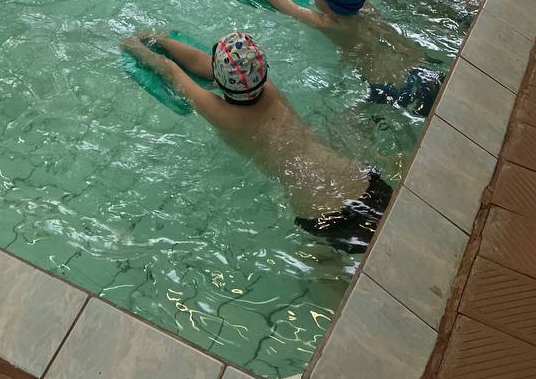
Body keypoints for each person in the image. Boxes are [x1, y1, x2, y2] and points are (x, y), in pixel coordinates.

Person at [121, 29, 393, 250]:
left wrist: (137, 43)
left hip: (319, 213)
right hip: (362, 181)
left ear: (218, 79)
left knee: (323, 269)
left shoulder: (223, 115)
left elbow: (171, 71)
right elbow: (207, 65)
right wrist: (163, 39)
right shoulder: (268, 87)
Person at [212, 0, 444, 116]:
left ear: (324, 2)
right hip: (418, 63)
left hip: (387, 87)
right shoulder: (366, 7)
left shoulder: (327, 23)